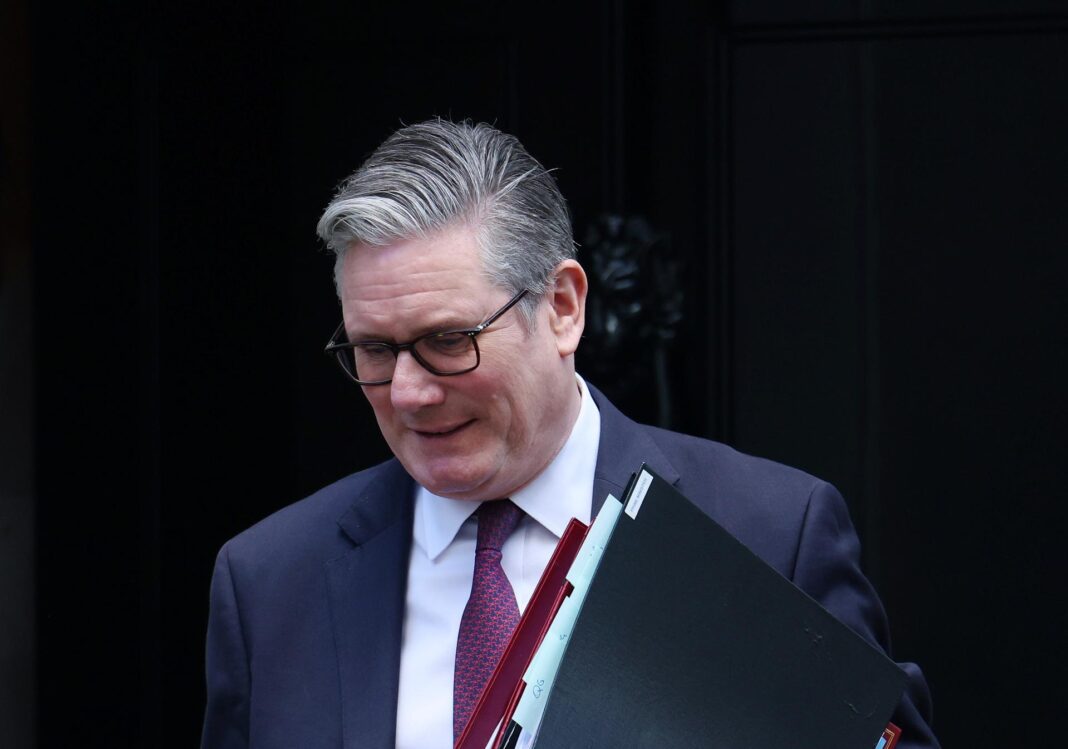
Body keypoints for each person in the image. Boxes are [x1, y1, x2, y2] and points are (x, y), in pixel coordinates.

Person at [201, 119, 940, 749]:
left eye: (449, 340)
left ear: (562, 307)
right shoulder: (269, 582)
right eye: (374, 350)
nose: (408, 392)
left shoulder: (771, 532)